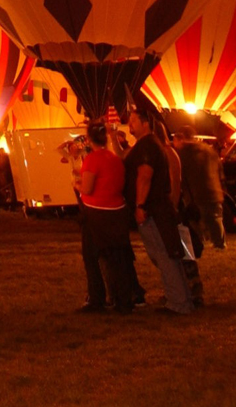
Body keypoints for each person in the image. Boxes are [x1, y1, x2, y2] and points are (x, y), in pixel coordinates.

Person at [124, 111, 193, 315]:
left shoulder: (147, 146)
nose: (129, 124)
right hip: (157, 208)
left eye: (134, 120)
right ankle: (182, 298)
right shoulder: (152, 145)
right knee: (167, 254)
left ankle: (178, 303)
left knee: (163, 255)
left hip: (152, 210)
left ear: (145, 123)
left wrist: (139, 205)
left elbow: (144, 176)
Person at [74, 124, 136, 313]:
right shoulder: (115, 158)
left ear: (89, 139)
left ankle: (97, 298)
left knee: (92, 258)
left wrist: (76, 184)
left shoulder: (93, 159)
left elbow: (87, 189)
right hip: (117, 211)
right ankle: (124, 299)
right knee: (117, 258)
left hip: (96, 212)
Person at [172, 128, 225, 254]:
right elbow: (219, 170)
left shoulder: (184, 153)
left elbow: (182, 174)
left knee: (195, 220)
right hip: (213, 190)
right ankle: (218, 243)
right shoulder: (208, 149)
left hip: (197, 193)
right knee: (214, 219)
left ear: (181, 139)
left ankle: (203, 242)